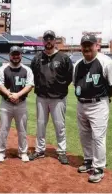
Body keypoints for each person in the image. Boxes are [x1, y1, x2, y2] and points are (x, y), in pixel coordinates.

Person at [74, 34, 112, 183]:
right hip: (82, 104)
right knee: (84, 135)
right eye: (84, 45)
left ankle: (99, 167)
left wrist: (106, 97)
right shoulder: (78, 65)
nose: (87, 47)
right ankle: (88, 160)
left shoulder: (105, 62)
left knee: (98, 137)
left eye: (90, 44)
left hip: (98, 105)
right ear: (81, 47)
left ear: (97, 46)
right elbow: (76, 84)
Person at [29, 30, 73, 164]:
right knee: (41, 124)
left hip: (58, 98)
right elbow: (33, 76)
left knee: (60, 125)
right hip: (41, 97)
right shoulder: (37, 58)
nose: (48, 41)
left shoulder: (64, 58)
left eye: (51, 38)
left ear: (55, 41)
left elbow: (69, 77)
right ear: (43, 41)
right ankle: (39, 150)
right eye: (46, 38)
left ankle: (61, 151)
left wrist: (59, 88)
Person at [0, 46, 34, 162]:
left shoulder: (27, 70)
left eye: (18, 54)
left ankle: (23, 152)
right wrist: (10, 95)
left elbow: (29, 85)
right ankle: (1, 152)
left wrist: (18, 95)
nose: (16, 57)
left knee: (22, 129)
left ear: (21, 55)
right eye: (13, 54)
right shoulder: (3, 69)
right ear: (9, 55)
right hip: (6, 103)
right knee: (3, 129)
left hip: (21, 103)